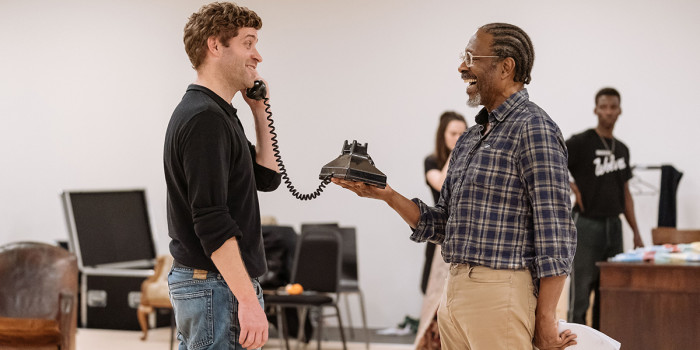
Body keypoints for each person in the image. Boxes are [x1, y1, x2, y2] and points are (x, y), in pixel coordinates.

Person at [333, 23, 577, 349]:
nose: (462, 66)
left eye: (471, 57)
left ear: (506, 67)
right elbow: (444, 225)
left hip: (500, 292)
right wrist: (387, 195)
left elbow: (557, 232)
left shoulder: (534, 128)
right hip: (454, 293)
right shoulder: (471, 139)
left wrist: (545, 319)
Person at [163, 2, 281, 349]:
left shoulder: (218, 113)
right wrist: (247, 300)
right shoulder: (205, 119)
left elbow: (268, 179)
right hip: (216, 285)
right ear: (215, 46)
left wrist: (260, 111)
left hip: (214, 285)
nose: (257, 56)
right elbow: (212, 219)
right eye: (248, 42)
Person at [566, 87, 644, 330]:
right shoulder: (581, 142)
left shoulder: (622, 149)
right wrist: (570, 185)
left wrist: (637, 232)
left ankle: (602, 343)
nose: (608, 112)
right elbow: (549, 160)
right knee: (580, 294)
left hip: (614, 226)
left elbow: (626, 193)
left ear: (619, 111)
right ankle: (574, 345)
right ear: (596, 109)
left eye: (613, 107)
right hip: (586, 225)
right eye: (604, 107)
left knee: (609, 292)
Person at [421, 111, 467, 293]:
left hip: (461, 233)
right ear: (443, 135)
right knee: (432, 289)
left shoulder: (470, 162)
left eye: (462, 134)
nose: (458, 138)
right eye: (453, 134)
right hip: (438, 229)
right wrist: (457, 152)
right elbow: (440, 183)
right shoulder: (432, 161)